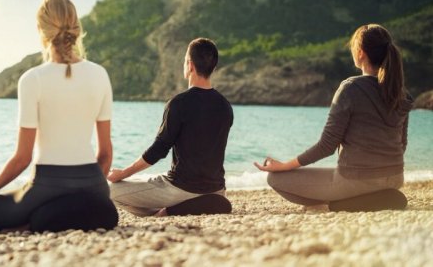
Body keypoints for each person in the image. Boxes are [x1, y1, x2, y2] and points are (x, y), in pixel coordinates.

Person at [0, 0, 114, 232]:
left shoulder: (32, 79)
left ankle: (36, 218)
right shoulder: (100, 75)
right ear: (77, 27)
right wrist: (91, 187)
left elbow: (22, 158)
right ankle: (58, 215)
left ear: (41, 30)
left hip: (46, 187)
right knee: (68, 208)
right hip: (94, 187)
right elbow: (106, 154)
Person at [254, 24, 413, 207]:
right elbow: (402, 144)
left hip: (356, 181)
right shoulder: (402, 93)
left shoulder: (350, 88)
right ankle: (369, 199)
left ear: (361, 53)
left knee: (275, 179)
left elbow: (327, 146)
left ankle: (341, 204)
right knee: (338, 181)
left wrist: (284, 166)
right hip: (395, 178)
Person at [107, 38, 233, 216]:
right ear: (213, 67)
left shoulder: (179, 103)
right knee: (141, 181)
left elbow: (159, 150)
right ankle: (195, 205)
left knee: (109, 190)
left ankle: (169, 212)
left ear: (189, 65)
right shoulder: (225, 106)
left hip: (179, 188)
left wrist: (123, 173)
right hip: (216, 189)